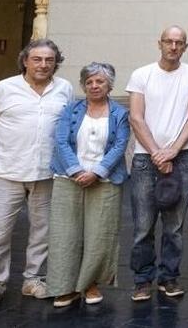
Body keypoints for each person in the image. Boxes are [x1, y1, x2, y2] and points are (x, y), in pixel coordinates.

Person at [0, 38, 73, 310]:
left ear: (56, 63)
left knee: (42, 230)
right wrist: (1, 154)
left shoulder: (64, 89)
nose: (43, 65)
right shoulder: (4, 89)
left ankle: (33, 279)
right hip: (8, 171)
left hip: (46, 172)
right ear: (25, 61)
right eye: (37, 59)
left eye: (49, 60)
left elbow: (67, 126)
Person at [126, 25, 188, 301]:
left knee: (173, 227)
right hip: (144, 160)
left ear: (185, 47)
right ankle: (141, 280)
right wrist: (156, 152)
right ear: (159, 43)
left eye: (179, 42)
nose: (173, 46)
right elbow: (136, 117)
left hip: (180, 158)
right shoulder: (141, 75)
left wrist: (172, 150)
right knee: (142, 226)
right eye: (169, 41)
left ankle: (169, 278)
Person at [48, 62, 130, 307]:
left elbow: (120, 145)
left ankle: (90, 284)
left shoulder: (119, 113)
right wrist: (76, 171)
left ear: (109, 85)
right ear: (83, 85)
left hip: (105, 180)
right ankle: (65, 286)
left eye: (100, 81)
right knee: (65, 234)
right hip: (68, 178)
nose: (94, 86)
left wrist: (96, 172)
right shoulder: (70, 109)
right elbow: (61, 142)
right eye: (89, 82)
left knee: (100, 235)